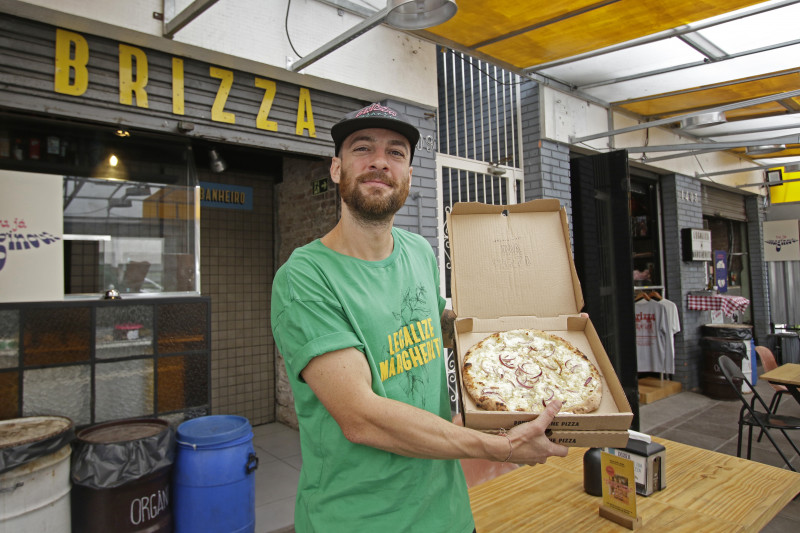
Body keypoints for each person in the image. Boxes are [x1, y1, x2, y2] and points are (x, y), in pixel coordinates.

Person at [271, 102, 568, 533]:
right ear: (336, 169)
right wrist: (496, 446)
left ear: (409, 173)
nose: (379, 162)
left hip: (446, 511)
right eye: (362, 149)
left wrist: (528, 337)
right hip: (358, 518)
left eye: (396, 152)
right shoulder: (305, 278)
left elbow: (439, 331)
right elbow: (361, 417)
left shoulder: (419, 251)